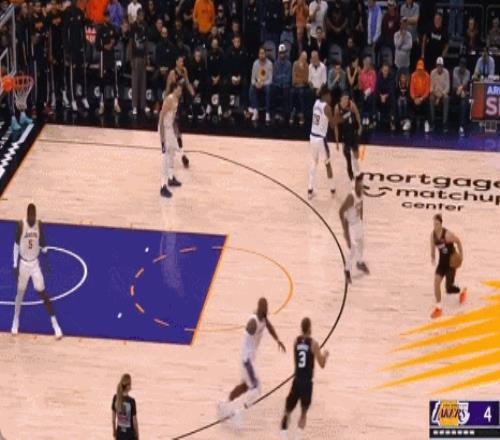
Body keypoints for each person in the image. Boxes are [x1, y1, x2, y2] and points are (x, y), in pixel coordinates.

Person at [218, 298, 286, 420]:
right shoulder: (253, 322)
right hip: (247, 359)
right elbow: (248, 334)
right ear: (260, 308)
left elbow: (269, 326)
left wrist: (278, 340)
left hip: (248, 358)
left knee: (244, 386)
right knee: (256, 388)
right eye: (264, 308)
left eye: (267, 307)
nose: (266, 310)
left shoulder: (263, 318)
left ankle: (223, 403)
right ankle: (240, 412)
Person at [11, 203, 63, 339]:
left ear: (35, 214)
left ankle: (55, 324)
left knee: (43, 293)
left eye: (33, 215)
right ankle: (15, 320)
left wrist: (45, 248)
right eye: (30, 215)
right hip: (23, 264)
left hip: (34, 264)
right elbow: (16, 246)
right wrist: (15, 265)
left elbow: (42, 241)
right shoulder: (21, 225)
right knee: (20, 294)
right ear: (27, 214)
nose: (32, 218)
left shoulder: (39, 224)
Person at [280, 317, 329, 440]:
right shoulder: (314, 344)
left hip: (297, 380)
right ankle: (297, 437)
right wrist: (325, 355)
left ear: (301, 328)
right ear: (310, 328)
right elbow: (322, 364)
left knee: (287, 411)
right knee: (303, 413)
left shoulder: (296, 341)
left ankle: (283, 437)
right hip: (307, 383)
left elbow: (296, 361)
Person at [430, 214, 467, 319]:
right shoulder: (433, 235)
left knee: (449, 289)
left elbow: (458, 241)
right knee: (436, 283)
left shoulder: (447, 235)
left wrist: (461, 255)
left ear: (441, 224)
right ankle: (438, 308)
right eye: (434, 224)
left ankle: (462, 291)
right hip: (442, 263)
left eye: (437, 224)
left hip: (451, 264)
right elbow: (432, 247)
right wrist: (433, 257)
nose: (435, 226)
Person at [308, 85, 337, 199]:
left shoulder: (316, 103)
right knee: (327, 164)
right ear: (325, 95)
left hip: (312, 136)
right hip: (320, 139)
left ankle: (310, 189)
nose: (331, 98)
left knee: (314, 162)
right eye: (329, 95)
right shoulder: (327, 108)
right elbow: (333, 125)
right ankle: (333, 189)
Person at [339, 175, 369, 284]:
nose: (361, 185)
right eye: (360, 184)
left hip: (358, 223)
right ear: (356, 184)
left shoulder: (361, 193)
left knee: (361, 244)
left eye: (362, 183)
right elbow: (341, 211)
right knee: (353, 249)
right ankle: (347, 271)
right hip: (350, 225)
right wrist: (345, 231)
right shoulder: (351, 197)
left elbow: (361, 207)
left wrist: (361, 220)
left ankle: (359, 263)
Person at [158, 81, 184, 199]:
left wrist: (177, 133)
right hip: (164, 129)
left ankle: (171, 178)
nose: (180, 91)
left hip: (170, 129)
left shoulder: (176, 100)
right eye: (179, 89)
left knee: (172, 152)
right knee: (165, 157)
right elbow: (161, 117)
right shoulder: (169, 99)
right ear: (174, 89)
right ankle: (162, 186)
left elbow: (172, 119)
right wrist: (162, 138)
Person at [64, 0, 89, 112]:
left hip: (80, 49)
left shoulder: (80, 12)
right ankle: (73, 99)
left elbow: (83, 30)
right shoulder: (67, 13)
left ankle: (84, 97)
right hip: (72, 50)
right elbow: (65, 32)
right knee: (72, 76)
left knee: (82, 74)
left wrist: (84, 45)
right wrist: (67, 50)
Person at [96, 9, 121, 115]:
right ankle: (101, 104)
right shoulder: (100, 29)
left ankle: (116, 103)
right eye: (105, 16)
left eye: (108, 16)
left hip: (112, 58)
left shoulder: (112, 28)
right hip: (103, 58)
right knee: (102, 82)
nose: (107, 18)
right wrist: (104, 47)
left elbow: (117, 37)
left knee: (114, 80)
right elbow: (97, 45)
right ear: (103, 17)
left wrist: (113, 43)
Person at [334, 91, 362, 181]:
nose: (346, 100)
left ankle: (357, 172)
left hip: (352, 131)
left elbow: (357, 114)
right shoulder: (337, 108)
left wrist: (360, 125)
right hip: (344, 134)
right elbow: (335, 125)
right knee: (347, 155)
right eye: (345, 98)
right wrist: (337, 140)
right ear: (341, 99)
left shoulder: (351, 104)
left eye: (347, 98)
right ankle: (351, 173)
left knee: (356, 155)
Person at [130, 9, 149, 116]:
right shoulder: (133, 26)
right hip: (135, 57)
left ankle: (143, 105)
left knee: (143, 82)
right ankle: (134, 106)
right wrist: (131, 59)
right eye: (140, 15)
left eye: (143, 15)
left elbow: (146, 42)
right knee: (135, 83)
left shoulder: (145, 26)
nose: (142, 17)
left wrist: (147, 57)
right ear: (137, 16)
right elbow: (131, 42)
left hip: (143, 57)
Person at [247, 47, 273, 124]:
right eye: (260, 53)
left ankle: (267, 113)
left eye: (263, 53)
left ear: (265, 54)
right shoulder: (255, 63)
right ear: (258, 54)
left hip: (265, 84)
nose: (261, 55)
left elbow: (270, 79)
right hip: (257, 83)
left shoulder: (269, 64)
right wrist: (256, 83)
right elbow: (252, 78)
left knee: (268, 89)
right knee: (252, 88)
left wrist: (262, 84)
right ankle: (255, 110)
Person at [112, 374, 139, 440]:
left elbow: (113, 420)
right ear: (128, 386)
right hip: (130, 435)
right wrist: (137, 435)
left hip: (120, 434)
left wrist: (114, 431)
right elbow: (134, 422)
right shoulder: (131, 401)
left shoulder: (116, 398)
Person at [272, 44, 292, 121]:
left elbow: (288, 78)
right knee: (272, 90)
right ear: (278, 53)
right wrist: (282, 77)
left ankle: (285, 115)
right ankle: (274, 113)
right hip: (277, 84)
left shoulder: (289, 64)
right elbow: (275, 77)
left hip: (285, 85)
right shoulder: (275, 63)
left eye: (283, 52)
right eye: (281, 53)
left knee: (286, 91)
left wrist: (281, 79)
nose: (282, 54)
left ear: (285, 53)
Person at [429, 56, 449, 133]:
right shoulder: (432, 72)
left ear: (443, 65)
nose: (439, 67)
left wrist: (439, 97)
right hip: (435, 94)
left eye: (441, 65)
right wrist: (436, 96)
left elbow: (447, 88)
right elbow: (431, 88)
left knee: (446, 98)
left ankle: (445, 123)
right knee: (431, 98)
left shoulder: (446, 73)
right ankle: (432, 122)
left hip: (443, 94)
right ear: (436, 65)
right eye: (438, 65)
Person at [410, 59, 430, 133]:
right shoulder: (413, 76)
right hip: (415, 97)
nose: (419, 71)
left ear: (423, 69)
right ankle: (411, 121)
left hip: (423, 97)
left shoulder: (427, 76)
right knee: (410, 101)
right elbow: (411, 90)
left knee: (428, 101)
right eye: (418, 69)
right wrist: (414, 98)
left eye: (421, 69)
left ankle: (426, 122)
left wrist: (421, 98)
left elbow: (427, 90)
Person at [452, 57, 470, 137]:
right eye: (461, 66)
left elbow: (465, 82)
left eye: (463, 66)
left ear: (465, 67)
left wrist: (461, 89)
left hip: (463, 93)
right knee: (461, 96)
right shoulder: (455, 70)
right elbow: (456, 81)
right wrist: (460, 89)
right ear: (459, 65)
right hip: (455, 92)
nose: (462, 68)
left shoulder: (468, 72)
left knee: (463, 101)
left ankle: (461, 126)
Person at [290, 51, 308, 126]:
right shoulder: (295, 64)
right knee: (292, 93)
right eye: (302, 58)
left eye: (305, 59)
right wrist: (300, 79)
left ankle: (301, 114)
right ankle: (292, 112)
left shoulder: (306, 66)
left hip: (302, 87)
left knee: (301, 93)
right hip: (295, 85)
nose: (303, 60)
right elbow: (294, 79)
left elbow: (306, 80)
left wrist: (299, 78)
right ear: (299, 57)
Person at [399, 0, 419, 68]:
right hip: (405, 39)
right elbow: (402, 22)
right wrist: (411, 20)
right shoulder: (402, 7)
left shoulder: (416, 7)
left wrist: (406, 19)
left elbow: (415, 20)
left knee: (413, 61)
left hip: (414, 38)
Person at [359, 56, 376, 127]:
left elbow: (373, 86)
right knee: (363, 99)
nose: (364, 66)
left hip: (371, 92)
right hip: (363, 92)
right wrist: (360, 76)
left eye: (366, 65)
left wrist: (367, 93)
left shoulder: (373, 73)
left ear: (369, 65)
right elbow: (361, 87)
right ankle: (364, 118)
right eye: (364, 65)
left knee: (370, 99)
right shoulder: (362, 73)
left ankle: (370, 119)